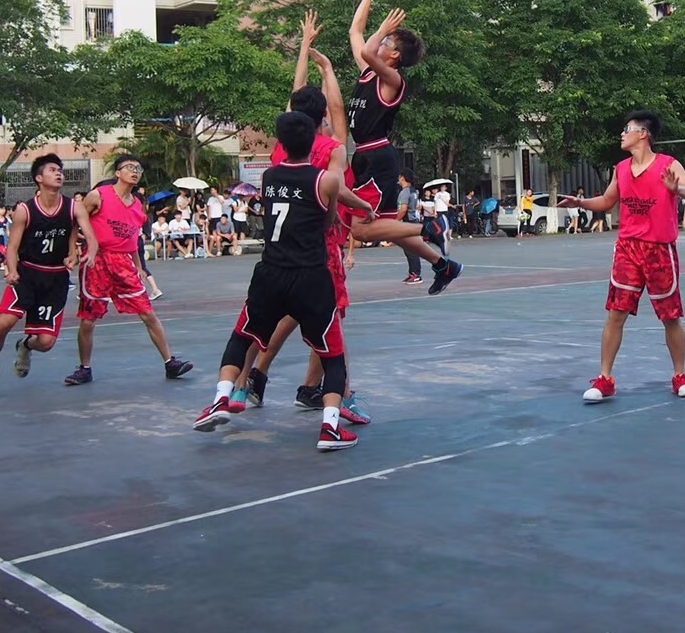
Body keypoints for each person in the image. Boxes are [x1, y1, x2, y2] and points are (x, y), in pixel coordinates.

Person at [192, 111, 374, 449]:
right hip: (310, 276)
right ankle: (330, 427)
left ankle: (221, 397)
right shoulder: (326, 181)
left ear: (281, 143)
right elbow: (328, 222)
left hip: (271, 273)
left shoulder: (269, 176)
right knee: (332, 353)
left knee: (241, 337)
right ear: (316, 141)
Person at [559, 110, 685, 403]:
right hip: (628, 248)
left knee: (670, 316)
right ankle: (605, 379)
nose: (622, 134)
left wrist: (677, 189)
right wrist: (581, 203)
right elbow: (607, 200)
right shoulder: (621, 168)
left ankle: (680, 376)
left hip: (659, 249)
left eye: (627, 129)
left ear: (643, 134)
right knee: (616, 313)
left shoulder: (668, 164)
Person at [345, 0, 462, 294]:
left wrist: (384, 28)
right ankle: (443, 265)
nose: (379, 42)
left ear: (395, 56)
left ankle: (432, 226)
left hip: (377, 157)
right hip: (366, 157)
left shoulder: (392, 80)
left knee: (361, 230)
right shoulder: (369, 73)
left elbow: (368, 51)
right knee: (390, 228)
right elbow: (355, 32)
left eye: (386, 42)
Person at [0, 155, 100, 397]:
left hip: (55, 278)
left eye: (60, 170)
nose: (59, 173)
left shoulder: (73, 207)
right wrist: (12, 270)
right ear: (39, 178)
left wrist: (89, 254)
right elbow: (12, 247)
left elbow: (91, 237)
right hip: (27, 274)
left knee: (45, 343)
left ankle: (25, 345)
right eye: (52, 170)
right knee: (4, 322)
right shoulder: (25, 210)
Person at [64, 157, 193, 386]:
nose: (135, 172)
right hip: (98, 261)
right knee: (89, 318)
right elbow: (76, 222)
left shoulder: (137, 206)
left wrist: (139, 267)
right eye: (130, 168)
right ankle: (84, 368)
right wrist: (72, 251)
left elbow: (132, 240)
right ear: (118, 173)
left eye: (138, 169)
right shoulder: (99, 195)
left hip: (123, 262)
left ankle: (170, 362)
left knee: (148, 313)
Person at [397, 170, 424, 285]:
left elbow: (403, 209)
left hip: (408, 221)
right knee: (410, 249)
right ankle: (412, 272)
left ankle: (416, 274)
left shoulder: (405, 192)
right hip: (413, 221)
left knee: (410, 250)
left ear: (402, 178)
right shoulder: (413, 191)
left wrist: (395, 220)